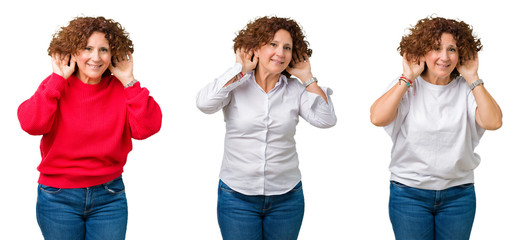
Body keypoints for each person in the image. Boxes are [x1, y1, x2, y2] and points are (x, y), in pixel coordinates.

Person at [17, 16, 162, 240]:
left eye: (103, 49)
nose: (96, 58)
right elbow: (31, 124)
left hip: (109, 196)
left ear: (113, 54)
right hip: (58, 198)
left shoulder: (122, 88)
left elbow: (148, 128)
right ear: (73, 51)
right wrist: (57, 80)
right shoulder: (55, 85)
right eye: (87, 48)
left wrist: (130, 81)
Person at [196, 16, 336, 239]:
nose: (280, 53)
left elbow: (326, 119)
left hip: (287, 200)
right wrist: (239, 69)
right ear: (256, 48)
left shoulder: (296, 90)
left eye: (287, 47)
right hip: (237, 198)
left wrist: (308, 78)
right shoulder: (235, 84)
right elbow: (204, 103)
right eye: (273, 44)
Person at [370, 16, 502, 240]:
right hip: (409, 193)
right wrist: (407, 77)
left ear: (461, 54)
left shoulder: (468, 89)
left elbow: (493, 122)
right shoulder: (407, 86)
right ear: (421, 51)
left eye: (451, 49)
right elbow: (377, 117)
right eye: (435, 48)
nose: (444, 57)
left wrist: (473, 77)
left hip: (458, 195)